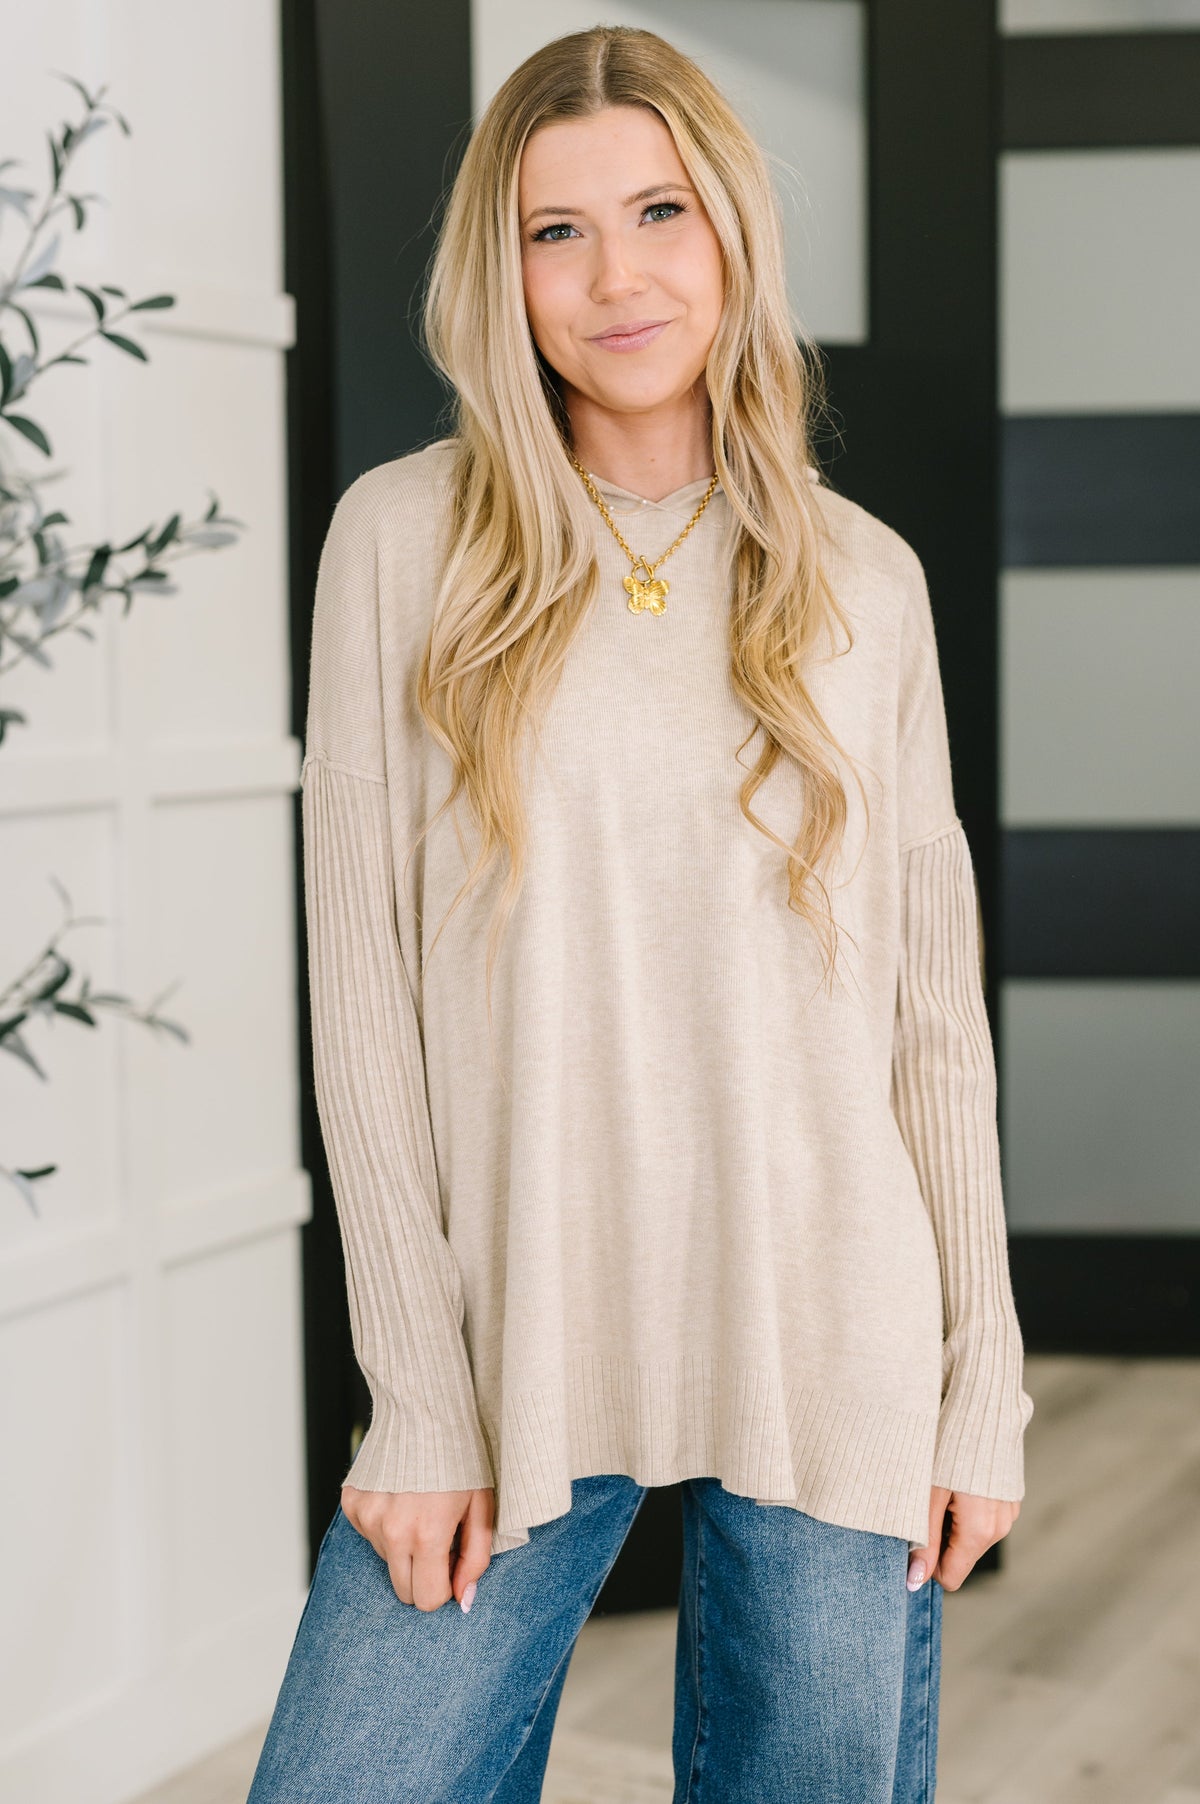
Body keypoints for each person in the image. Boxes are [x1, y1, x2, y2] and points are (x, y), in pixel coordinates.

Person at [247, 22, 1034, 1804]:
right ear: (500, 271)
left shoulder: (864, 580)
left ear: (735, 234)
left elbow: (931, 1020)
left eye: (660, 210)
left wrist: (978, 1382)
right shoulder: (403, 542)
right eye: (556, 231)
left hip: (832, 1330)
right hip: (518, 1326)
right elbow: (361, 999)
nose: (617, 276)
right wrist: (418, 1392)